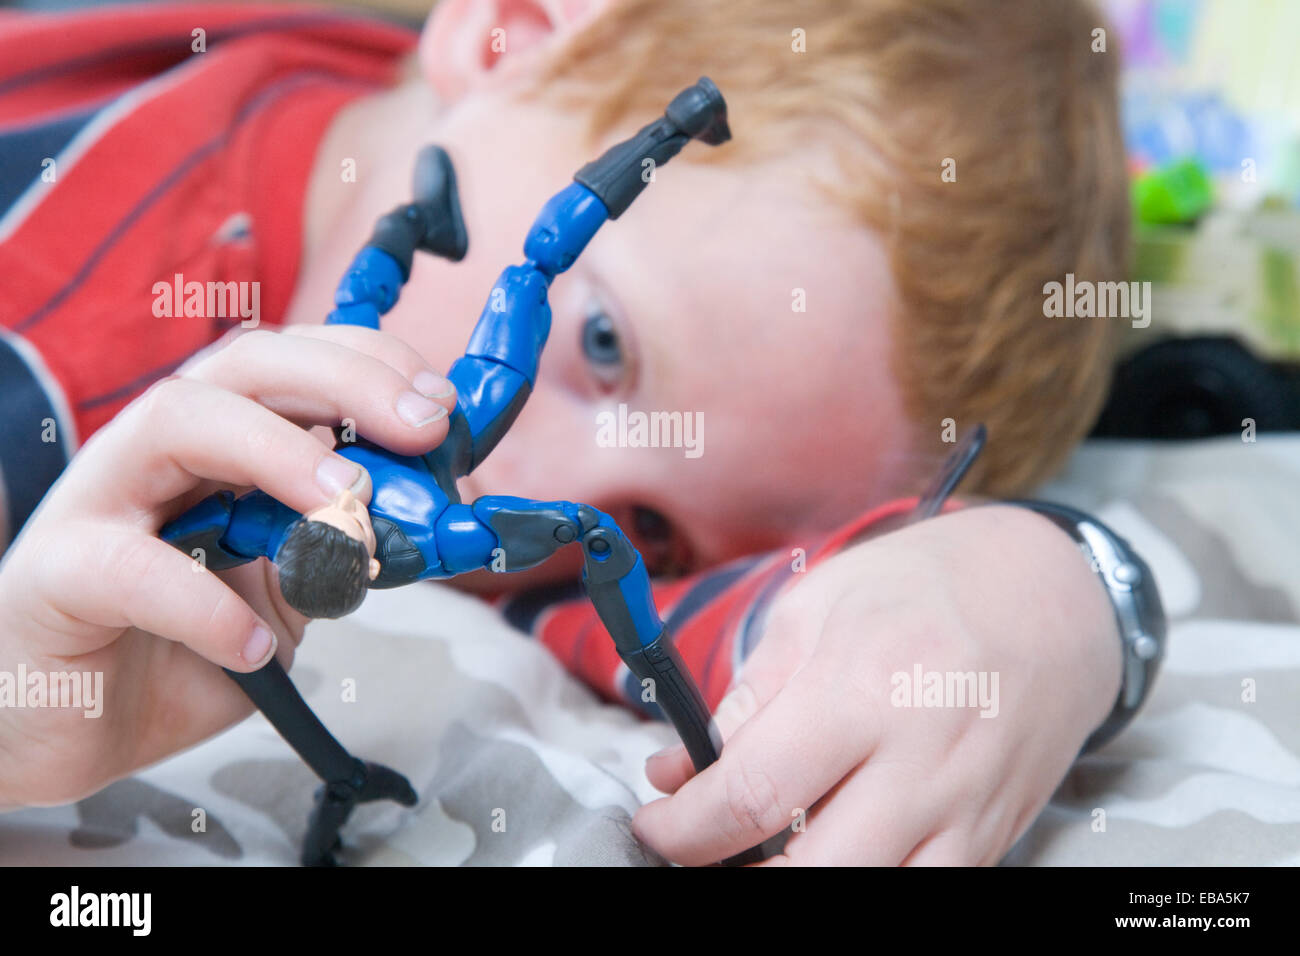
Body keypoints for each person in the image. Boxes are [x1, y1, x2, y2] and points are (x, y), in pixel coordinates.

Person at [0, 0, 1141, 865]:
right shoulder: (49, 348)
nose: (542, 478)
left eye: (664, 527)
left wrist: (1055, 585)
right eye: (602, 345)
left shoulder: (523, 536)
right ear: (508, 34)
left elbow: (772, 624)